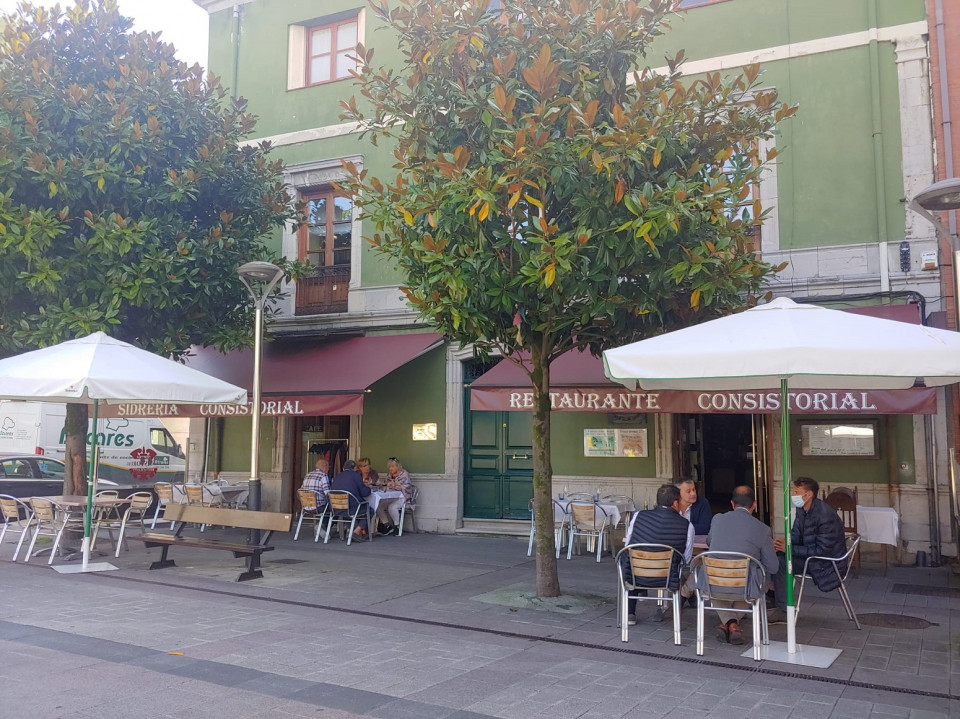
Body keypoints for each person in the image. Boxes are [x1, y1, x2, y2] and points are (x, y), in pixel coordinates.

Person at [700, 485, 779, 644]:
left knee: (713, 584)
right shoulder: (763, 530)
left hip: (713, 584)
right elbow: (773, 567)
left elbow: (709, 542)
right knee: (754, 580)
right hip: (745, 587)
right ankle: (733, 624)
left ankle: (728, 623)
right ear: (754, 504)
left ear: (732, 503)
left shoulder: (717, 520)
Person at [771, 476, 847, 621]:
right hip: (811, 556)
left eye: (796, 492)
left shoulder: (824, 515)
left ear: (809, 494)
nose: (793, 495)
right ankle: (775, 598)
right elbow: (796, 535)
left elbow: (822, 551)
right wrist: (784, 543)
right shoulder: (802, 509)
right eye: (793, 491)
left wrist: (790, 550)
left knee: (781, 563)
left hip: (826, 563)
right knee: (774, 555)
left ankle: (783, 610)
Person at [621, 484, 694, 625]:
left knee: (633, 560)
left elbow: (628, 545)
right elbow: (686, 558)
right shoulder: (686, 525)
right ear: (675, 502)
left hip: (635, 575)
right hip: (667, 578)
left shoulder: (638, 516)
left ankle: (630, 613)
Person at [329, 459, 371, 537]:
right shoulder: (356, 476)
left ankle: (349, 530)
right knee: (369, 509)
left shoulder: (336, 477)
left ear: (343, 468)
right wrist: (368, 488)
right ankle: (356, 531)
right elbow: (364, 493)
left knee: (347, 508)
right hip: (351, 508)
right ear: (354, 468)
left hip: (336, 508)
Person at [375, 457, 414, 536]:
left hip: (402, 497)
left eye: (392, 466)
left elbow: (406, 487)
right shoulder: (389, 475)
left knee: (392, 507)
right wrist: (383, 485)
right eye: (389, 467)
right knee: (378, 506)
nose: (391, 468)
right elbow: (386, 484)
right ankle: (387, 525)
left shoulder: (404, 474)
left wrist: (395, 485)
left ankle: (397, 526)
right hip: (390, 496)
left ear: (398, 466)